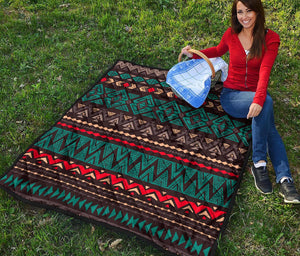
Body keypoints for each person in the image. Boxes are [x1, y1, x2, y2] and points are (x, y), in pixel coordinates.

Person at [181, 0, 300, 204]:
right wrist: (194, 55)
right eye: (240, 12)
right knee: (267, 107)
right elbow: (218, 50)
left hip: (255, 93)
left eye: (249, 11)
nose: (244, 16)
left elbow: (265, 71)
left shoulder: (271, 39)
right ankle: (264, 166)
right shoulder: (231, 34)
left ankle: (282, 177)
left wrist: (259, 99)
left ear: (258, 11)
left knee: (267, 117)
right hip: (232, 96)